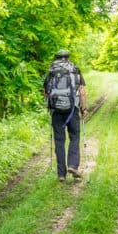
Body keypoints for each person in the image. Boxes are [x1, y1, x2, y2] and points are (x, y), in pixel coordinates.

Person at [43, 49, 87, 182]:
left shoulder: (51, 72)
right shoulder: (75, 70)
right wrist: (83, 108)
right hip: (72, 110)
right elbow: (82, 92)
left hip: (56, 112)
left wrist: (50, 105)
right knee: (74, 137)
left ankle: (61, 174)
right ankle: (73, 165)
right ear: (68, 57)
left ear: (56, 58)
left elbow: (45, 92)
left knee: (59, 141)